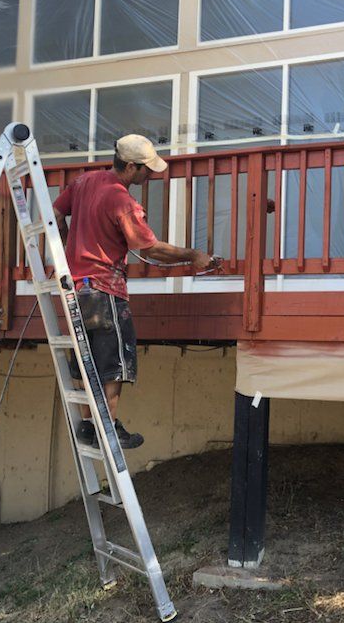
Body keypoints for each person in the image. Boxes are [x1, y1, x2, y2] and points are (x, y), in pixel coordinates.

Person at [52, 134, 219, 449]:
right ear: (130, 166)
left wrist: (66, 249)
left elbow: (57, 216)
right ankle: (109, 428)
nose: (150, 176)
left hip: (76, 289)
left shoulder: (85, 182)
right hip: (104, 291)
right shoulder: (122, 201)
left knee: (85, 358)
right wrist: (194, 256)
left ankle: (89, 425)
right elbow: (152, 249)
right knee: (114, 361)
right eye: (146, 170)